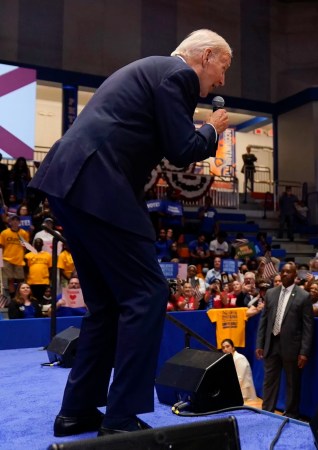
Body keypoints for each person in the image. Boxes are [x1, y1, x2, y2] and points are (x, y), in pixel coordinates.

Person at [29, 29, 232, 437]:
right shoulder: (177, 76)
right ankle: (120, 418)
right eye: (223, 68)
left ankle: (77, 412)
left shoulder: (154, 73)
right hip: (98, 185)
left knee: (106, 306)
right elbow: (182, 148)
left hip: (73, 184)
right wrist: (211, 130)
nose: (222, 81)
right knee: (147, 293)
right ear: (206, 56)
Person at [255, 262, 314, 419]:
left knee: (292, 383)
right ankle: (266, 412)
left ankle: (291, 414)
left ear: (295, 275)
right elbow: (264, 321)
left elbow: (308, 327)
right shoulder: (271, 293)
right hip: (272, 343)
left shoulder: (304, 296)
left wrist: (304, 352)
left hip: (292, 347)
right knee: (269, 381)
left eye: (289, 272)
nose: (285, 274)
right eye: (283, 271)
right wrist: (260, 343)